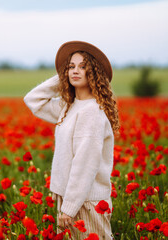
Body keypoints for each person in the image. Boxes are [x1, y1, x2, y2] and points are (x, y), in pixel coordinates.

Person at [24, 41, 120, 240]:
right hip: (71, 198)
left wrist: (69, 208)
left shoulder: (92, 112)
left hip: (86, 202)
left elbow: (85, 164)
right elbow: (33, 100)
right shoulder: (68, 107)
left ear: (93, 73)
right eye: (71, 66)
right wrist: (62, 79)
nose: (76, 71)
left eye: (83, 67)